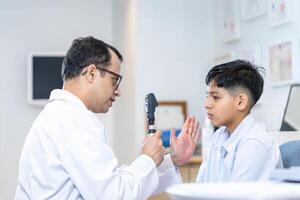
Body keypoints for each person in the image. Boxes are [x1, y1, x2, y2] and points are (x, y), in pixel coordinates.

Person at [15, 36, 200, 199]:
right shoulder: (74, 121)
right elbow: (115, 194)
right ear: (92, 73)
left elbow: (114, 180)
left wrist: (170, 160)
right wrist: (148, 158)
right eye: (114, 80)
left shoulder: (59, 116)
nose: (118, 91)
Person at [196, 60, 282, 182]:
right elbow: (200, 187)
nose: (207, 104)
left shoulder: (254, 143)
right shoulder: (218, 136)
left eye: (215, 97)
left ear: (241, 102)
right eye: (207, 96)